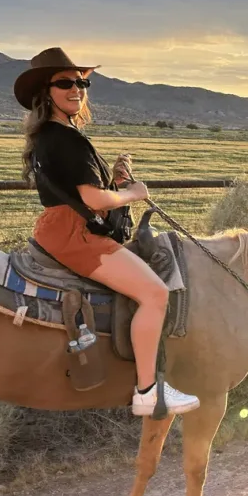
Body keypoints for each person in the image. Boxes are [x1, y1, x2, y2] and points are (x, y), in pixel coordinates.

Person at [14, 47, 200, 416]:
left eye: (82, 82)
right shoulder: (64, 138)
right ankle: (148, 392)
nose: (77, 89)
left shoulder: (53, 135)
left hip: (60, 228)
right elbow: (93, 199)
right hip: (77, 236)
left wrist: (114, 180)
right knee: (154, 294)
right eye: (65, 82)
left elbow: (78, 190)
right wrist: (133, 192)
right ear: (44, 92)